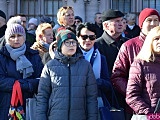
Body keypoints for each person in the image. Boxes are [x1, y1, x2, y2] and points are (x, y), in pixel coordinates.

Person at [36, 29, 98, 120]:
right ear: (60, 45)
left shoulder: (85, 66)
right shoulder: (50, 66)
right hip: (55, 116)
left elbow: (91, 97)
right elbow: (42, 96)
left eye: (73, 42)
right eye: (67, 42)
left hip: (80, 116)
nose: (71, 45)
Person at [111, 8, 160, 120]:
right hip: (137, 110)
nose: (153, 23)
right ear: (141, 24)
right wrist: (134, 94)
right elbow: (117, 76)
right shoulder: (129, 46)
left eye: (156, 20)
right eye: (149, 20)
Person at [0, 18, 43, 120]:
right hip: (6, 104)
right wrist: (19, 84)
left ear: (24, 37)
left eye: (19, 36)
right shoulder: (1, 56)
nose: (16, 39)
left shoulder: (33, 55)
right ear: (7, 38)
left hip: (29, 103)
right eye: (12, 36)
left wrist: (21, 84)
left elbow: (41, 79)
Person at [126, 26, 160, 115]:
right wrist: (149, 114)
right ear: (150, 41)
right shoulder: (140, 64)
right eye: (156, 39)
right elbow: (132, 96)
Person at [96, 9, 128, 77]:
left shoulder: (128, 43)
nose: (121, 24)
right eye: (117, 21)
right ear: (106, 25)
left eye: (122, 21)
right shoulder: (97, 45)